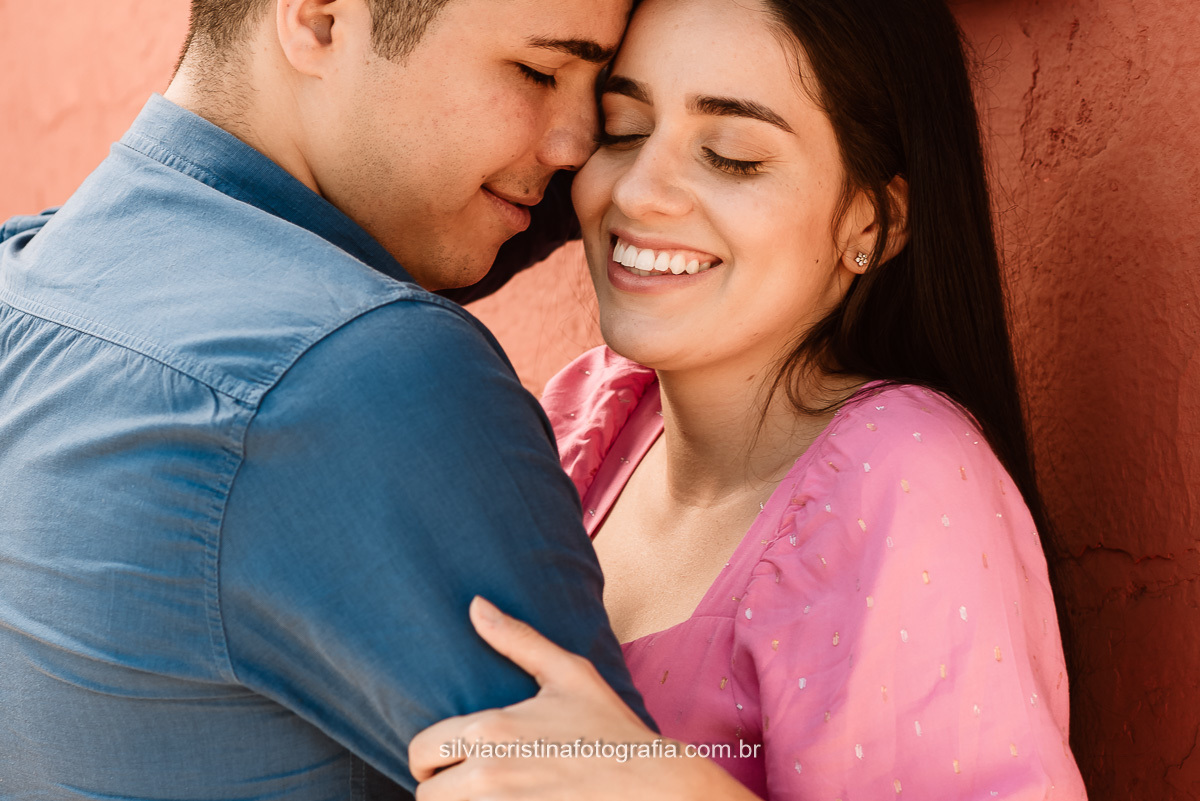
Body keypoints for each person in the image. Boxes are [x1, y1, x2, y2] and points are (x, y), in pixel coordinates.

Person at [409, 0, 1089, 798]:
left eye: (731, 156)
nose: (641, 191)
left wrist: (666, 787)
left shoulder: (905, 477)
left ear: (873, 219)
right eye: (623, 130)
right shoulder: (588, 412)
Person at [0, 0, 653, 797]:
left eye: (604, 93)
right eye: (538, 71)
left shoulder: (26, 279)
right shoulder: (369, 372)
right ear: (319, 20)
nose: (579, 144)